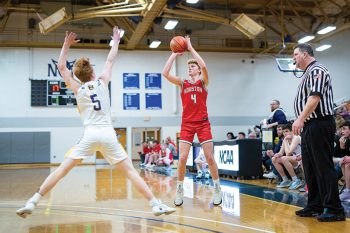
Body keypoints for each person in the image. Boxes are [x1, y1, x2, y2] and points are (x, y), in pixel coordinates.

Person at [16, 27, 175, 218]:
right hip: (108, 134)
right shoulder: (102, 82)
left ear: (79, 76)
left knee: (62, 170)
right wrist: (116, 40)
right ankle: (155, 204)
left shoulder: (77, 88)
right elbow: (110, 59)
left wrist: (66, 44)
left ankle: (33, 201)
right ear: (92, 73)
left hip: (90, 135)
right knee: (131, 172)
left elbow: (61, 67)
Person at [162, 36, 222, 206]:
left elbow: (204, 66)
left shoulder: (204, 81)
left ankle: (217, 188)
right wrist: (174, 54)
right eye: (188, 66)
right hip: (187, 124)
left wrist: (190, 48)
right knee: (182, 158)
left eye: (192, 66)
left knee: (209, 157)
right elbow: (165, 74)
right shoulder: (183, 83)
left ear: (197, 70)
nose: (190, 68)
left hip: (203, 123)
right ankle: (180, 189)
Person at [292, 43, 345, 222]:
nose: (293, 58)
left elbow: (315, 97)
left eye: (295, 55)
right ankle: (315, 204)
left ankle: (334, 208)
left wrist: (299, 118)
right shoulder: (307, 73)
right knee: (310, 167)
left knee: (323, 166)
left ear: (306, 54)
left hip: (320, 123)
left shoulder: (318, 70)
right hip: (309, 125)